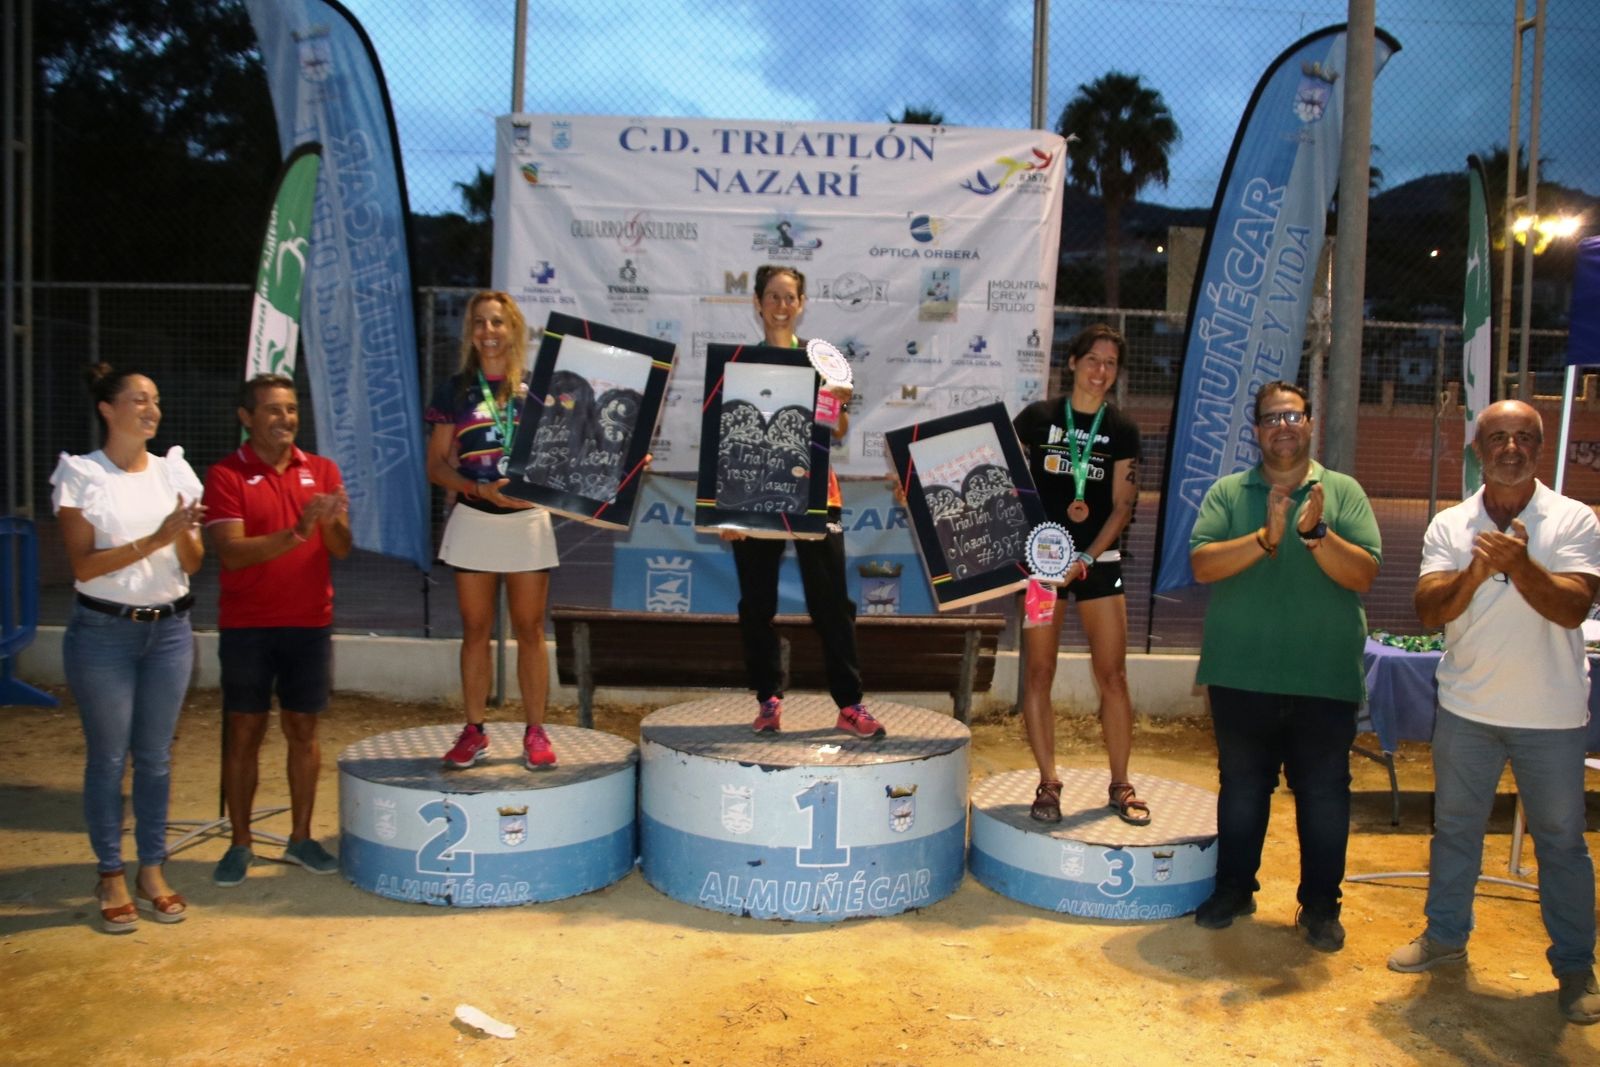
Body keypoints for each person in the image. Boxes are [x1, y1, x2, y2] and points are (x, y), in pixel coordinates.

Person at [1387, 400, 1600, 1025]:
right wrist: (1479, 569)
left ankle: (1576, 969)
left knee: (1561, 844)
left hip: (1551, 716)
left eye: (1524, 437)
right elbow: (1430, 610)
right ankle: (1445, 937)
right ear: (1477, 449)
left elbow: (1572, 608)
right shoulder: (1451, 525)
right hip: (1468, 709)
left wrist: (1518, 565)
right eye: (1498, 437)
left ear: (1540, 447)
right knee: (1456, 831)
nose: (1511, 448)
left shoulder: (1574, 518)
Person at [1188, 380, 1381, 952]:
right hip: (1241, 674)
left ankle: (1321, 907)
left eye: (1293, 416)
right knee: (1242, 788)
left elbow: (1363, 574)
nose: (1283, 427)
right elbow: (1202, 565)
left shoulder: (1343, 491)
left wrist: (1317, 535)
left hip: (1323, 676)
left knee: (1324, 795)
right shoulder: (1228, 492)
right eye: (1272, 418)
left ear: (1310, 424)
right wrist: (1265, 537)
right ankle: (1234, 890)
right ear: (1257, 431)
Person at [52, 366, 205, 931]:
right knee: (109, 759)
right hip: (103, 635)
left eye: (156, 400)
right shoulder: (82, 475)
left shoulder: (174, 472)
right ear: (107, 409)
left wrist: (183, 533)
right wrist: (157, 536)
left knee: (156, 758)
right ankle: (111, 873)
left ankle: (152, 870)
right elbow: (83, 566)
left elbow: (193, 564)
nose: (151, 410)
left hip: (170, 631)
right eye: (138, 400)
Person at [725, 264, 884, 739]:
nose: (781, 306)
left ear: (802, 304)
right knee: (757, 602)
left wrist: (836, 399)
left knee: (831, 603)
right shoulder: (742, 365)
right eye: (772, 296)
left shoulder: (821, 361)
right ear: (757, 303)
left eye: (789, 297)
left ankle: (849, 705)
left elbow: (836, 430)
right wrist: (728, 509)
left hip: (816, 493)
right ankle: (767, 698)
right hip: (756, 493)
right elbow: (728, 435)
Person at [204, 373, 351, 886]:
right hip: (247, 625)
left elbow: (340, 549)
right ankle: (240, 843)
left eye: (290, 409)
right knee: (244, 732)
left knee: (303, 731)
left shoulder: (322, 469)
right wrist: (297, 531)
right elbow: (231, 552)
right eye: (272, 409)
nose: (285, 418)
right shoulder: (225, 475)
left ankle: (301, 838)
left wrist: (330, 521)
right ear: (246, 418)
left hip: (309, 623)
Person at [1012, 323, 1145, 824]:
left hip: (1097, 564)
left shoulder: (1122, 429)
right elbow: (993, 469)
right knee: (1039, 672)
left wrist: (1085, 558)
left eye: (1110, 364)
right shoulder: (1038, 418)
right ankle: (1048, 782)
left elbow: (1122, 506)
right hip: (1042, 569)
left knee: (1113, 675)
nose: (1100, 371)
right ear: (1072, 363)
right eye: (1093, 360)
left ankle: (1121, 783)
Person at [426, 290, 561, 769]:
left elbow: (572, 452)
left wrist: (617, 470)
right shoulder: (454, 390)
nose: (489, 331)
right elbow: (436, 465)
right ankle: (474, 730)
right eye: (480, 322)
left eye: (498, 322)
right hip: (474, 518)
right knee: (476, 630)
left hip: (527, 521)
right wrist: (477, 489)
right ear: (471, 331)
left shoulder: (539, 389)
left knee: (530, 629)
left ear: (514, 329)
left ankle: (535, 731)